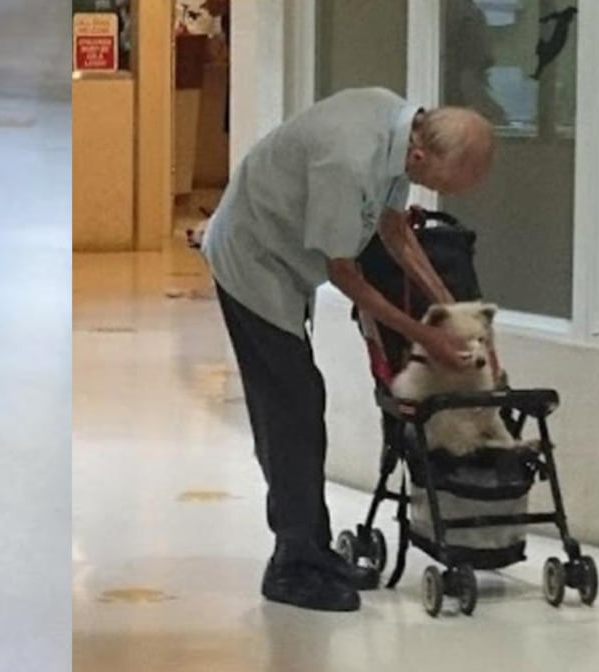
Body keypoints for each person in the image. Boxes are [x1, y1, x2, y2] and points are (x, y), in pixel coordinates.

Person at [201, 87, 495, 612]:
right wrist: (428, 336)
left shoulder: (401, 129)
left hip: (283, 260)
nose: (429, 189)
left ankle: (312, 548)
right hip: (252, 259)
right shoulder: (348, 157)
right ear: (420, 157)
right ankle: (291, 564)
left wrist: (453, 309)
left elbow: (391, 226)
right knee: (290, 407)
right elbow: (346, 275)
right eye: (436, 182)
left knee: (299, 403)